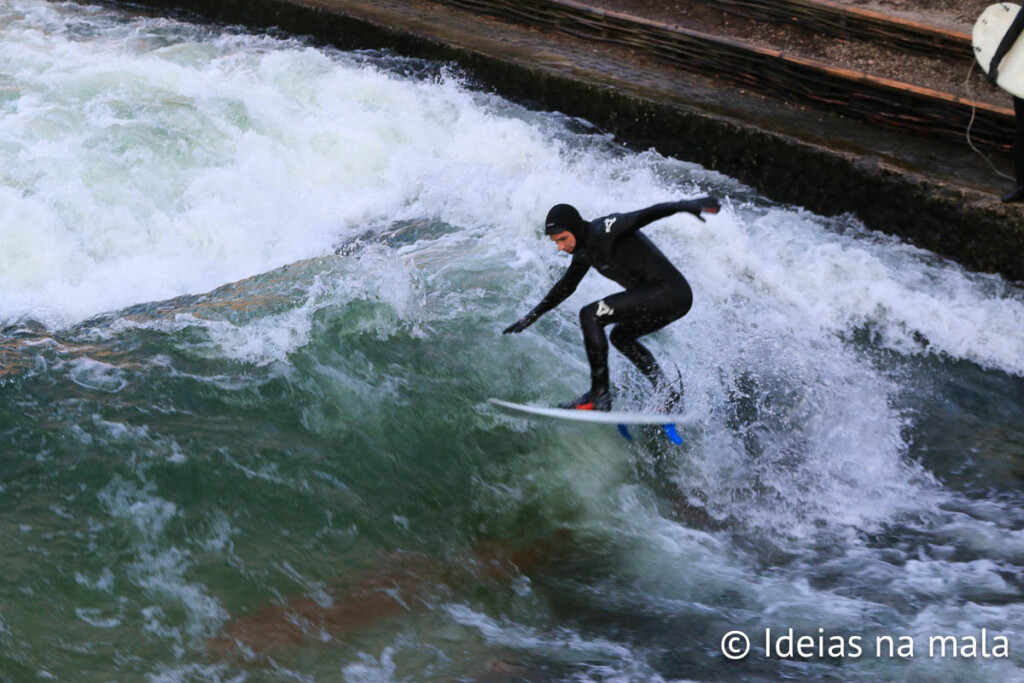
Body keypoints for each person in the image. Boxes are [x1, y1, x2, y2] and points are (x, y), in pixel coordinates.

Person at [503, 197, 720, 411]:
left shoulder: (606, 229)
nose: (560, 246)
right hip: (666, 299)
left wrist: (685, 206)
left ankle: (600, 396)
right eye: (556, 242)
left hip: (670, 292)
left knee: (590, 315)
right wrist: (531, 316)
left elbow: (645, 214)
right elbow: (565, 287)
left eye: (563, 238)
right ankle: (667, 393)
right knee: (620, 337)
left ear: (575, 229)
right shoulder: (582, 253)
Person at [988, 5, 1024, 203]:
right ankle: (1022, 186)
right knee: (1023, 133)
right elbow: (1014, 29)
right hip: (1022, 78)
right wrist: (995, 61)